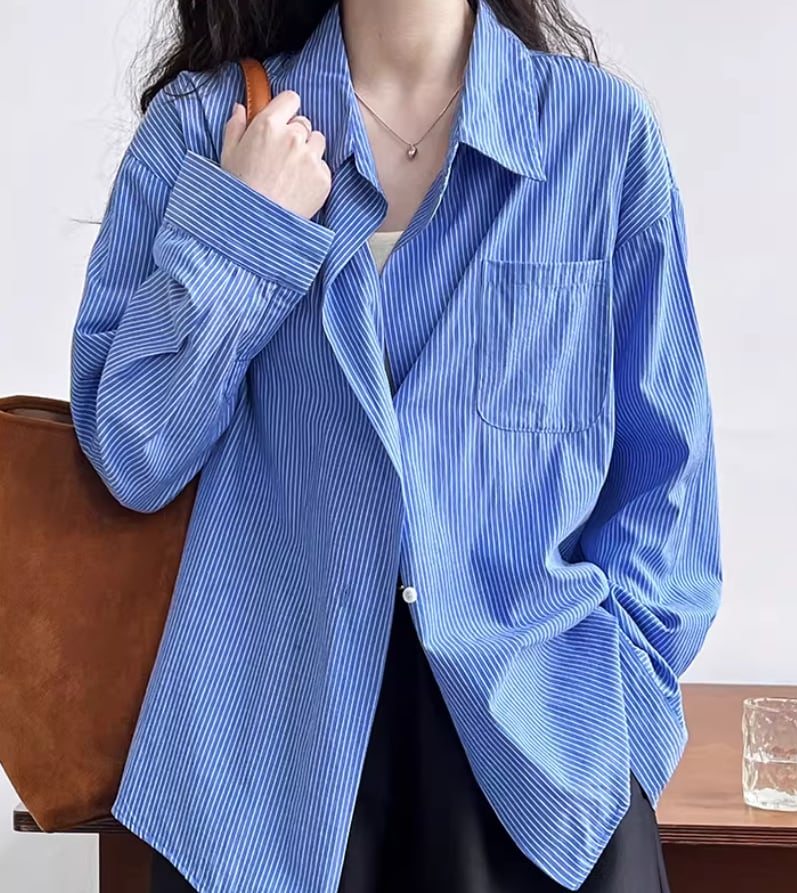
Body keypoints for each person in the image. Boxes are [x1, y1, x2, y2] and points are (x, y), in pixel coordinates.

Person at [69, 0, 722, 890]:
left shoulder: (599, 140)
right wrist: (244, 225)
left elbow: (667, 490)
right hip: (260, 794)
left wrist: (618, 727)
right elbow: (132, 451)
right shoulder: (202, 133)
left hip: (544, 773)